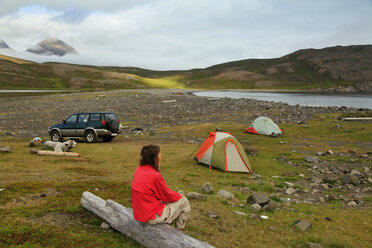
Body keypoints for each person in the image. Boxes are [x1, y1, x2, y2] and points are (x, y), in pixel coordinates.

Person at [131, 144, 190, 230]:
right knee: (184, 201)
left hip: (139, 214)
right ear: (155, 158)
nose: (161, 156)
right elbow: (167, 194)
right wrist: (179, 196)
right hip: (150, 217)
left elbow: (160, 193)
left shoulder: (139, 169)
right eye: (159, 154)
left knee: (167, 201)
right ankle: (179, 231)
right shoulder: (154, 176)